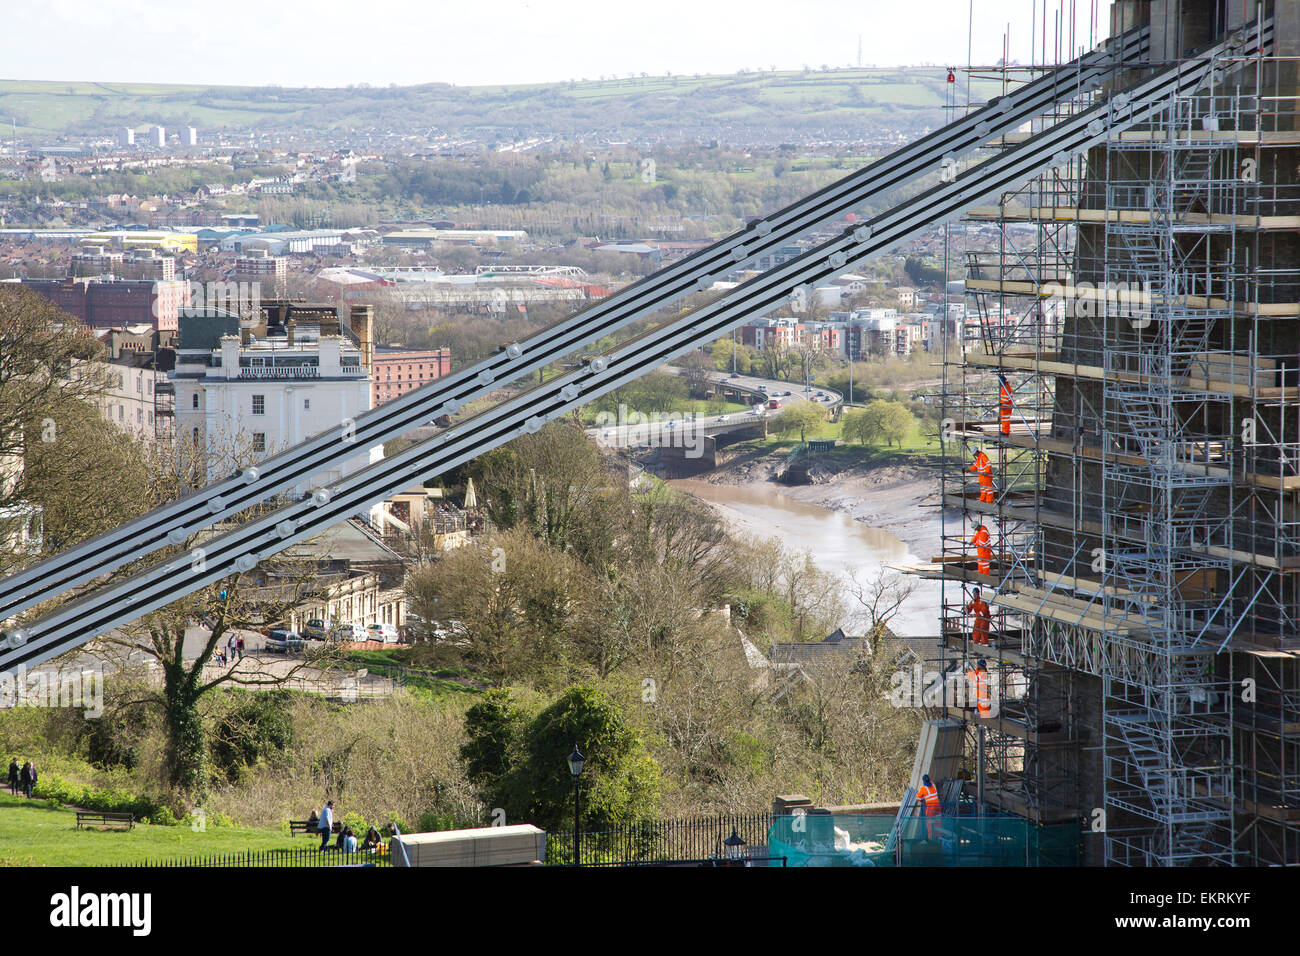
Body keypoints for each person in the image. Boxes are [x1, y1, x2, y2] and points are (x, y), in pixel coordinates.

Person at [916, 773, 941, 840]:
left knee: (929, 823)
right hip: (938, 806)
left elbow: (918, 798)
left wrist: (923, 799)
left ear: (923, 781)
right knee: (938, 823)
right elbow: (931, 782)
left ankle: (930, 839)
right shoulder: (933, 784)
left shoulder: (923, 788)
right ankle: (939, 838)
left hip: (930, 808)